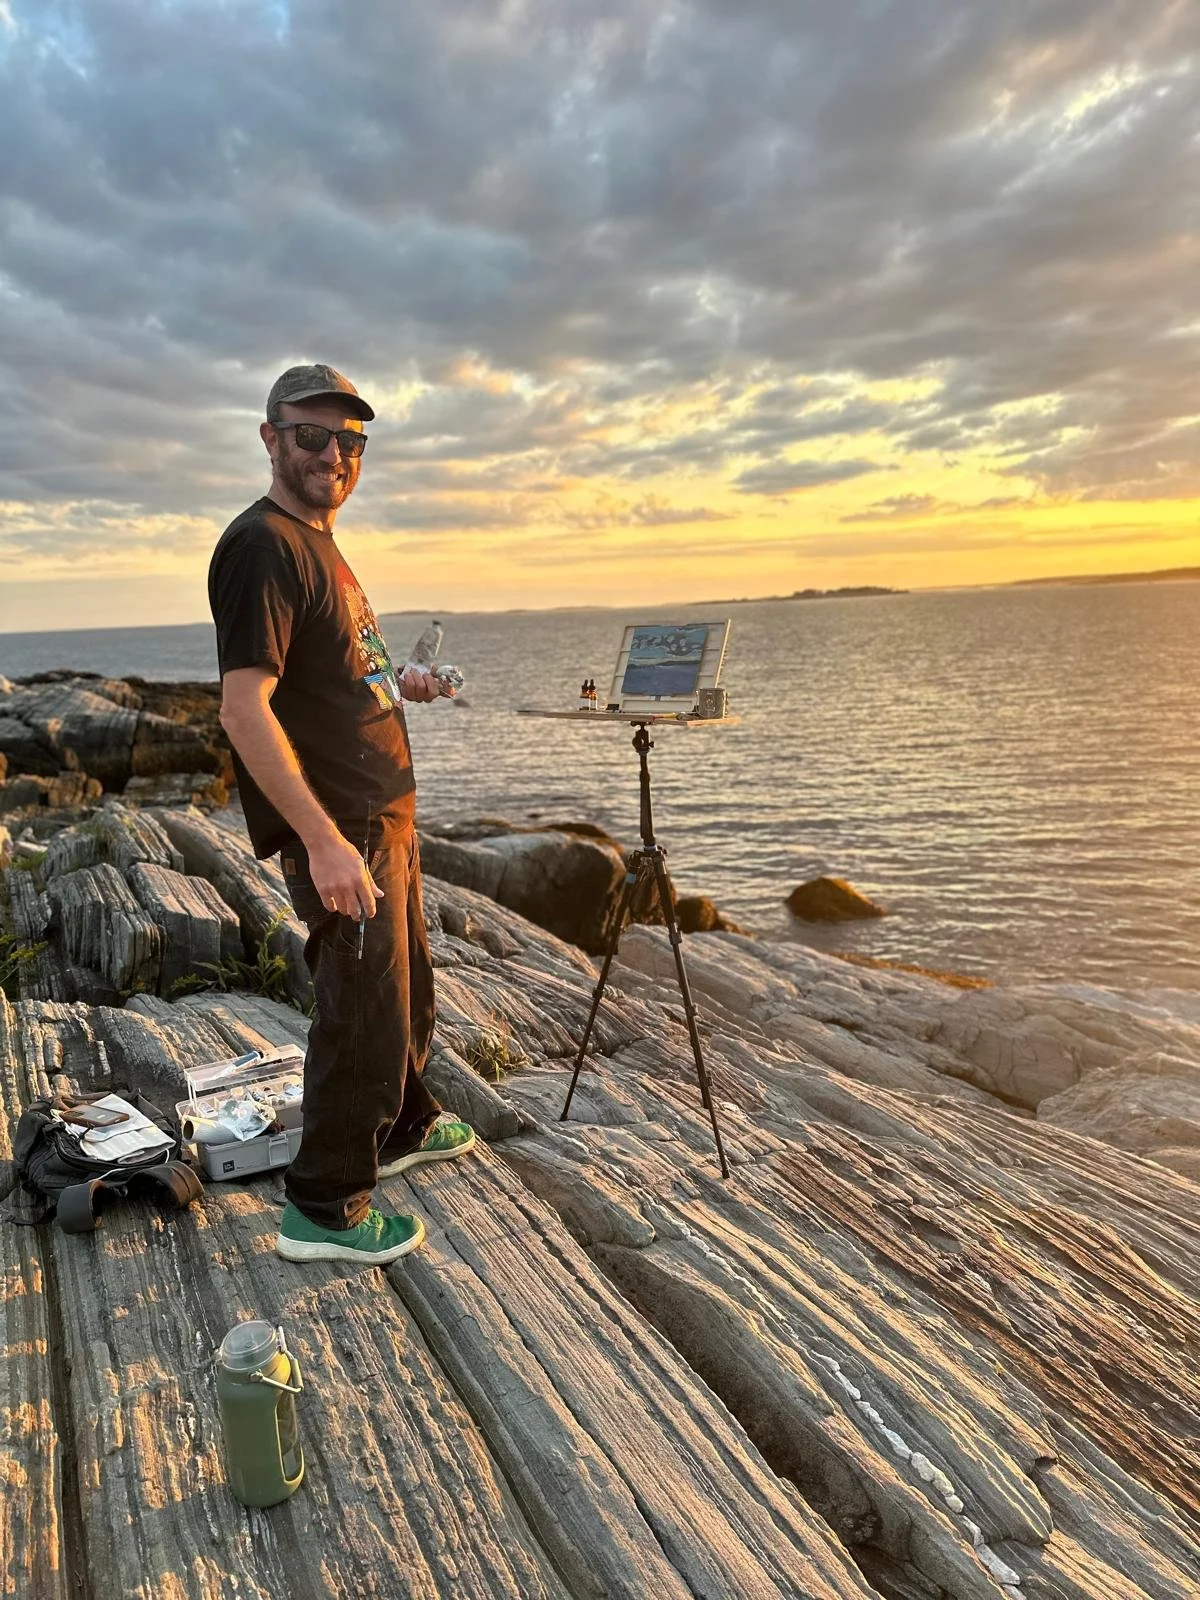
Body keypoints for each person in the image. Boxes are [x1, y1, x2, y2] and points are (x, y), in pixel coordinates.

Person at [207, 363, 475, 1268]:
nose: (333, 455)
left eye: (349, 441)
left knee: (403, 998)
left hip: (380, 818)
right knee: (359, 1008)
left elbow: (338, 673)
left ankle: (401, 1126)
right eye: (313, 436)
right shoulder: (263, 547)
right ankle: (324, 1206)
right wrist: (321, 840)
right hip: (343, 828)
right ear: (271, 437)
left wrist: (404, 686)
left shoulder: (319, 544)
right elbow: (245, 707)